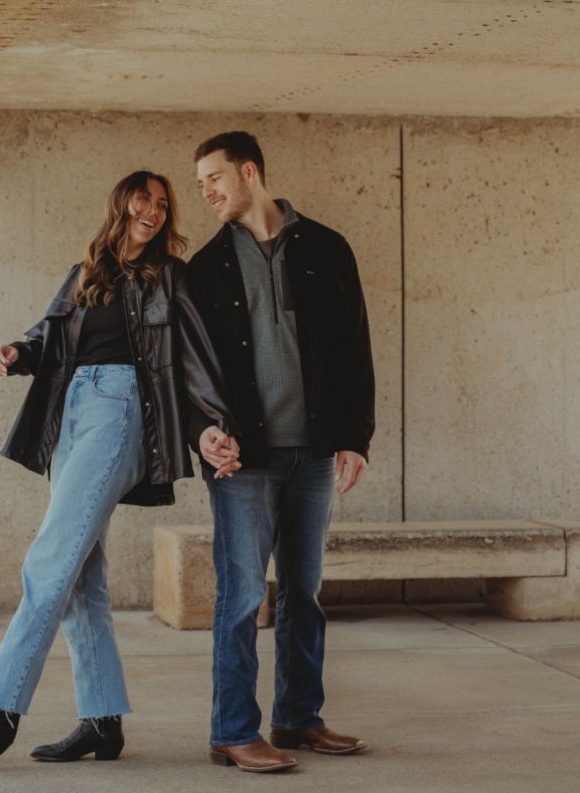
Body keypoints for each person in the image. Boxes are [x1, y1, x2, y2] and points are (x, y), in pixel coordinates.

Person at [0, 170, 240, 762]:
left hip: (121, 412)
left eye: (162, 204)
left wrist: (212, 424)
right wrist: (15, 352)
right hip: (71, 416)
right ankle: (101, 721)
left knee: (50, 559)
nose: (153, 211)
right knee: (80, 575)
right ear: (121, 204)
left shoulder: (170, 277)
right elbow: (48, 340)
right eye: (143, 199)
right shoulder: (85, 273)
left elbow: (194, 357)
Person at [187, 132, 375, 773]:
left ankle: (297, 718)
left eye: (214, 178)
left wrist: (355, 437)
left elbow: (355, 348)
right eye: (200, 184)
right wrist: (203, 432)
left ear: (249, 171)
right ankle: (233, 731)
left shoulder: (327, 247)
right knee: (241, 597)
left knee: (304, 592)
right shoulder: (205, 268)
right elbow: (188, 370)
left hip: (314, 453)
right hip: (244, 460)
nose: (206, 192)